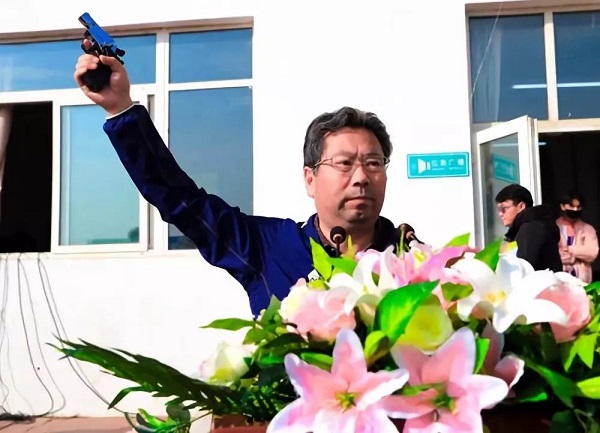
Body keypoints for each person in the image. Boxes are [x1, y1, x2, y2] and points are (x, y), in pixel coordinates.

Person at [74, 45, 403, 316]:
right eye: (344, 163)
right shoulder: (268, 248)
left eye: (373, 163)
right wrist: (120, 110)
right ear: (310, 179)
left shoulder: (411, 261)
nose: (362, 177)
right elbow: (180, 200)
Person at [495, 183, 562, 272]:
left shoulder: (530, 228)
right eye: (499, 210)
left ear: (521, 206)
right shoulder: (533, 225)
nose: (500, 214)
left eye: (504, 209)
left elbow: (524, 268)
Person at [556, 191, 599, 283]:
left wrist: (570, 249)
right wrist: (575, 257)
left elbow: (592, 253)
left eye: (578, 207)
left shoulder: (588, 229)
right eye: (571, 206)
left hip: (582, 281)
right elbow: (554, 255)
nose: (575, 209)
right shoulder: (554, 227)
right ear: (562, 206)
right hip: (559, 281)